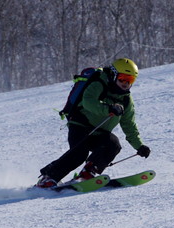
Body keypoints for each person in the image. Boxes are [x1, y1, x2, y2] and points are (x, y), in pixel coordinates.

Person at [36, 58, 151, 188]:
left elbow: (129, 125)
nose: (125, 83)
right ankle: (48, 178)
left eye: (130, 80)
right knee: (79, 154)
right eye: (122, 78)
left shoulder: (126, 101)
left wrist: (139, 146)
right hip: (80, 125)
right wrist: (108, 109)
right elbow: (88, 102)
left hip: (99, 131)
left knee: (113, 144)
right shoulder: (99, 83)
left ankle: (88, 173)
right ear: (113, 74)